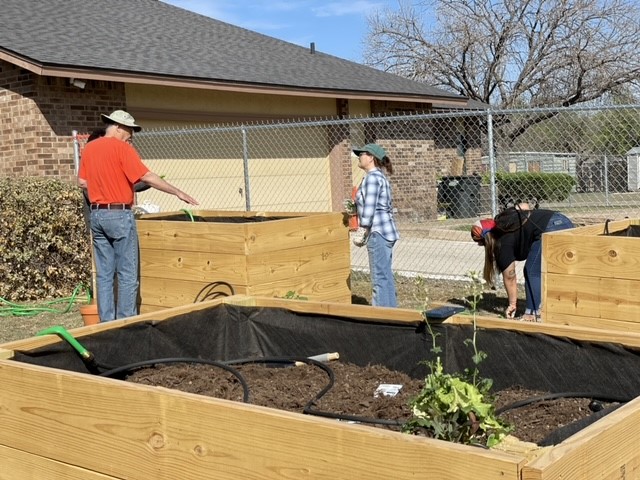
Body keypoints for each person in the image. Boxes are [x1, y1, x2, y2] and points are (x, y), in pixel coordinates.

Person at [77, 110, 199, 322]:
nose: (131, 134)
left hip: (97, 216)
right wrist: (178, 192)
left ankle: (106, 324)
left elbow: (82, 182)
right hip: (119, 215)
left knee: (104, 275)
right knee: (127, 274)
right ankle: (127, 323)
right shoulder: (122, 148)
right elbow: (147, 176)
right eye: (129, 130)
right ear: (117, 127)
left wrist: (105, 185)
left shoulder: (89, 148)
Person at [471, 205, 573, 321]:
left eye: (481, 243)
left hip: (548, 229)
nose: (480, 245)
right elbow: (524, 205)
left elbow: (510, 276)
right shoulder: (504, 217)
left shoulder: (502, 244)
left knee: (531, 271)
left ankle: (531, 314)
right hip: (564, 220)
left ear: (487, 240)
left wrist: (512, 304)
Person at [352, 143, 400, 307]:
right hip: (386, 231)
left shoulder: (372, 178)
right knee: (385, 276)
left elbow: (370, 207)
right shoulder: (379, 177)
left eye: (362, 154)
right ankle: (392, 314)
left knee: (379, 278)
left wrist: (362, 230)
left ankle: (380, 317)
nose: (359, 157)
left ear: (371, 157)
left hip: (378, 232)